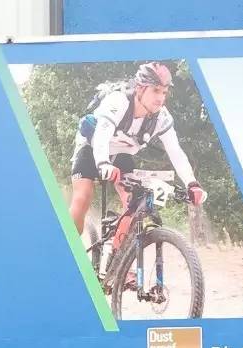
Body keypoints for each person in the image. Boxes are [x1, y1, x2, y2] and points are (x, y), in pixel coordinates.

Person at [69, 61, 207, 234]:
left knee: (133, 205)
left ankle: (119, 249)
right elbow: (102, 135)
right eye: (155, 90)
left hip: (121, 154)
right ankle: (68, 246)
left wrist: (192, 183)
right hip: (92, 146)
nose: (160, 98)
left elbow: (176, 152)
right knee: (83, 197)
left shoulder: (162, 117)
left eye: (164, 92)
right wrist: (103, 163)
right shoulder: (118, 101)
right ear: (140, 89)